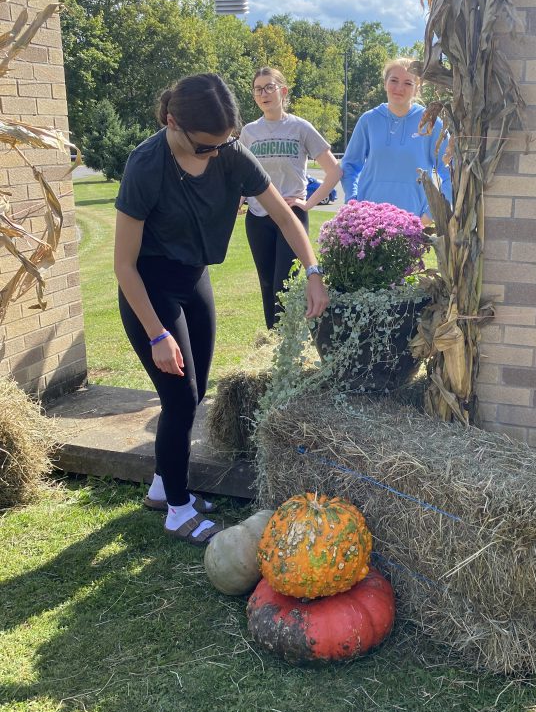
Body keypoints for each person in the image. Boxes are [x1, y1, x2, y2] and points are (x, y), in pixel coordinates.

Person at [114, 73, 328, 546]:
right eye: (206, 146)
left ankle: (160, 485)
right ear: (173, 122)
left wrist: (313, 271)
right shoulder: (146, 164)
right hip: (149, 288)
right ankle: (176, 508)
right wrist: (156, 334)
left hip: (194, 279)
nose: (217, 154)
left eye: (223, 143)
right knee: (179, 398)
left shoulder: (229, 152)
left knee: (196, 390)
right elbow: (123, 266)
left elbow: (283, 214)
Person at [239, 67, 342, 329]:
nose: (263, 94)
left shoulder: (300, 127)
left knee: (284, 282)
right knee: (266, 283)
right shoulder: (249, 133)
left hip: (291, 216)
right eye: (258, 89)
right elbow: (239, 176)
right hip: (258, 217)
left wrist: (307, 203)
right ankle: (273, 340)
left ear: (283, 91)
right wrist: (238, 200)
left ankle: (289, 336)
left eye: (269, 87)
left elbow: (333, 171)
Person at [340, 57, 452, 224]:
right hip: (368, 224)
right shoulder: (369, 120)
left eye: (408, 83)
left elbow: (452, 172)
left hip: (411, 225)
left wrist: (430, 215)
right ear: (385, 84)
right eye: (394, 80)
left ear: (417, 89)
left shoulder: (431, 124)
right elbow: (349, 166)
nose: (399, 88)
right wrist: (353, 203)